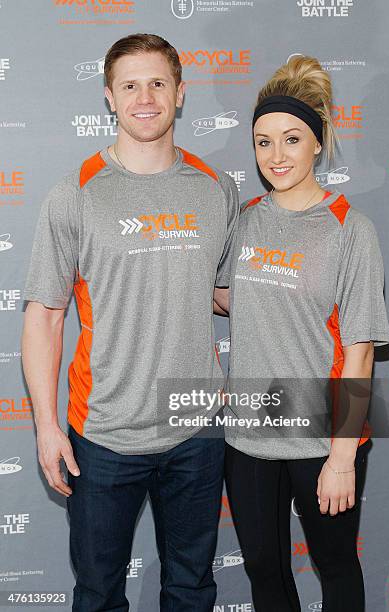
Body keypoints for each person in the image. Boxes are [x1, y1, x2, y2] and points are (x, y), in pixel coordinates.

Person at [22, 33, 239, 612]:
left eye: (158, 83)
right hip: (103, 432)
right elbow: (44, 317)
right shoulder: (75, 195)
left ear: (180, 93)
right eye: (130, 86)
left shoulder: (217, 189)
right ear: (110, 99)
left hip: (197, 426)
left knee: (192, 589)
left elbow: (225, 296)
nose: (146, 97)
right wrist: (47, 428)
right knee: (98, 595)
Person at [213, 55, 389, 611]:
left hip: (322, 437)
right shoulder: (243, 218)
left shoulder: (350, 229)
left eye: (291, 139)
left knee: (335, 566)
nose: (276, 155)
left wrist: (341, 459)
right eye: (263, 142)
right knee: (266, 572)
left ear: (318, 142)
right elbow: (225, 297)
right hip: (248, 437)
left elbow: (360, 353)